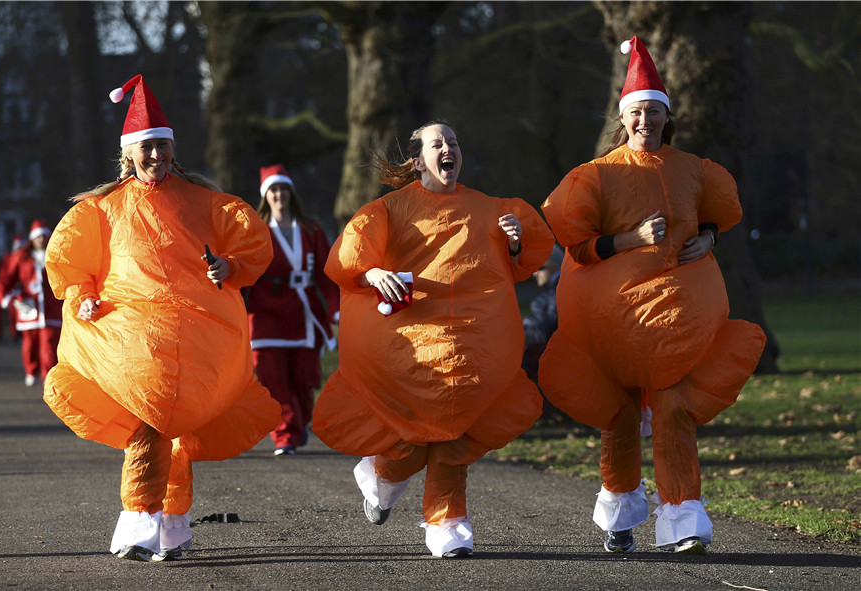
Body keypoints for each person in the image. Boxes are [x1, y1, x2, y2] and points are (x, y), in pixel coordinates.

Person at [538, 37, 767, 555]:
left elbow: (714, 212)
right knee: (620, 415)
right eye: (636, 113)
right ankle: (619, 510)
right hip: (614, 323)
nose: (644, 121)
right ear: (625, 120)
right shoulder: (598, 174)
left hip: (679, 324)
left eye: (653, 113)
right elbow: (577, 245)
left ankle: (682, 516)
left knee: (674, 409)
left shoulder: (691, 167)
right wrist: (632, 240)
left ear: (666, 118)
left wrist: (709, 235)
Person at [42, 75, 281, 562]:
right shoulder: (103, 210)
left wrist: (230, 266)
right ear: (129, 154)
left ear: (173, 150)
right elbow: (70, 260)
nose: (155, 157)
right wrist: (82, 293)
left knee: (169, 425)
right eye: (146, 148)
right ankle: (145, 519)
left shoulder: (205, 201)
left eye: (162, 147)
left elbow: (249, 241)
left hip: (197, 334)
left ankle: (167, 522)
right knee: (153, 418)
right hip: (130, 335)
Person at [313, 121, 555, 558]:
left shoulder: (488, 208)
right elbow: (349, 259)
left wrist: (515, 245)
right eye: (437, 143)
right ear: (417, 160)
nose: (448, 149)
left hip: (471, 346)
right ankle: (384, 477)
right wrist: (374, 272)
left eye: (454, 142)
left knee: (456, 436)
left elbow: (521, 264)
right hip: (410, 347)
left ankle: (448, 522)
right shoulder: (388, 208)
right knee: (410, 440)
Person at [244, 164, 339, 456]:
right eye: (273, 189)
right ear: (265, 195)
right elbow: (243, 272)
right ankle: (285, 436)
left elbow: (327, 273)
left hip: (303, 313)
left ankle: (299, 425)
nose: (279, 195)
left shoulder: (311, 230)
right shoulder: (255, 231)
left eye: (283, 188)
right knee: (273, 380)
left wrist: (335, 309)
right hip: (265, 316)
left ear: (291, 192)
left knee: (304, 380)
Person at [0, 221, 62, 386]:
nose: (41, 240)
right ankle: (31, 371)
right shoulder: (22, 256)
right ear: (32, 238)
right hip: (29, 305)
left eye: (44, 236)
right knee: (29, 342)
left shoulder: (56, 254)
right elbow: (6, 278)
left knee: (49, 342)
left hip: (50, 305)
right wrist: (7, 297)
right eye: (38, 237)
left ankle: (48, 374)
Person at [521, 244, 563, 383]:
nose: (534, 273)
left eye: (538, 268)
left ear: (552, 266)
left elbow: (542, 329)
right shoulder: (563, 288)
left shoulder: (555, 295)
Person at [0, 233, 26, 343]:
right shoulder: (8, 258)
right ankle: (14, 334)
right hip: (14, 292)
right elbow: (5, 277)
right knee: (13, 313)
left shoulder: (27, 258)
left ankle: (21, 334)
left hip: (24, 290)